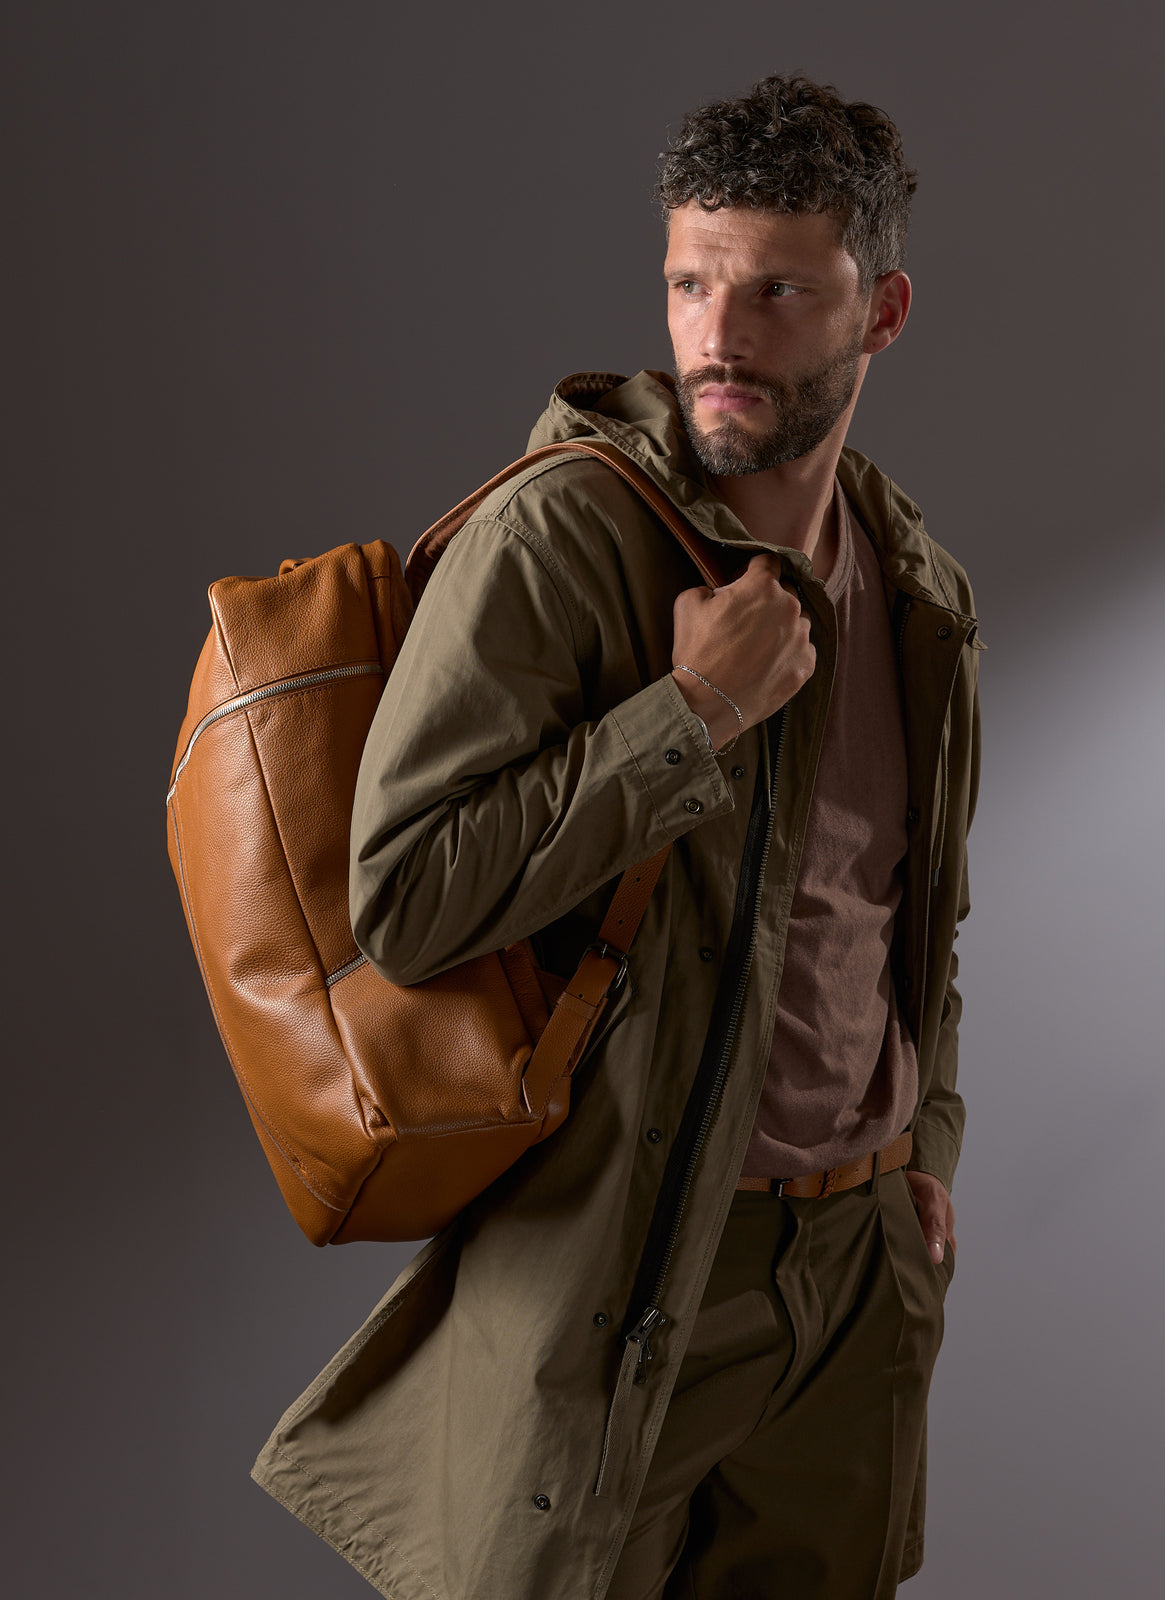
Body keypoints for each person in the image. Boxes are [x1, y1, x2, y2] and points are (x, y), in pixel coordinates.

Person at [253, 72, 983, 1600]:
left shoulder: (915, 588)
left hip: (852, 1284)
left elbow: (914, 914)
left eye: (777, 289)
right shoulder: (566, 535)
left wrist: (921, 1147)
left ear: (883, 308)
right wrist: (688, 719)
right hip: (637, 1268)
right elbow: (406, 895)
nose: (719, 335)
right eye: (691, 282)